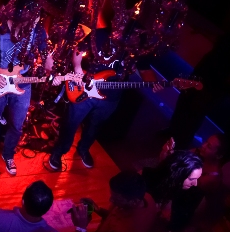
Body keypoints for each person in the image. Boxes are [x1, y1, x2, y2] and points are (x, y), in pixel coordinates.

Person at [49, 27, 165, 172]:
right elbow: (78, 49)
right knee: (71, 123)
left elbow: (145, 69)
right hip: (84, 87)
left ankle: (83, 149)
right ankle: (59, 151)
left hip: (110, 97)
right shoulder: (101, 34)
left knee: (95, 126)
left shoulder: (138, 44)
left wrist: (154, 83)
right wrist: (78, 69)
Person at [0, 0, 53, 175]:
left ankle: (8, 154)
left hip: (23, 83)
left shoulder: (37, 30)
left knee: (17, 125)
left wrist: (51, 70)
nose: (26, 28)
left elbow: (47, 59)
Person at [143, 150, 203, 232]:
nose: (195, 184)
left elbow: (191, 226)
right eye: (191, 179)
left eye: (197, 178)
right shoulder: (147, 177)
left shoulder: (194, 196)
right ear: (177, 174)